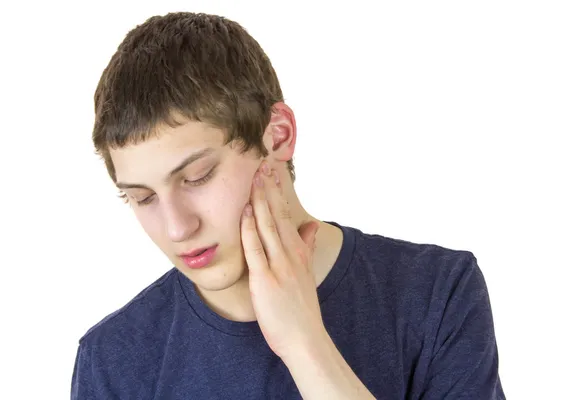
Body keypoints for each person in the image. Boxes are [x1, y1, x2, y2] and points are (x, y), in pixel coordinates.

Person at [71, 11, 505, 400]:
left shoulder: (436, 294)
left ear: (276, 136)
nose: (177, 228)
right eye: (142, 197)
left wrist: (304, 344)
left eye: (197, 176)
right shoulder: (113, 359)